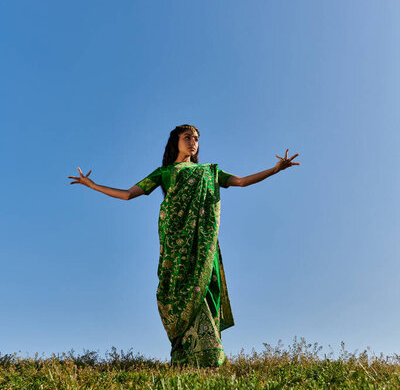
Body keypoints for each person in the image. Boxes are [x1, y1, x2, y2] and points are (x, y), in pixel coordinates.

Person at [68, 124, 300, 367]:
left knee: (202, 286)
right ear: (176, 142)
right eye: (187, 137)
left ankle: (208, 355)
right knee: (175, 290)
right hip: (174, 242)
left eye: (197, 139)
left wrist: (275, 170)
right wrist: (92, 185)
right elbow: (127, 194)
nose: (193, 142)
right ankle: (182, 354)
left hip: (201, 242)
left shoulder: (209, 172)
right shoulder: (164, 172)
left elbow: (240, 182)